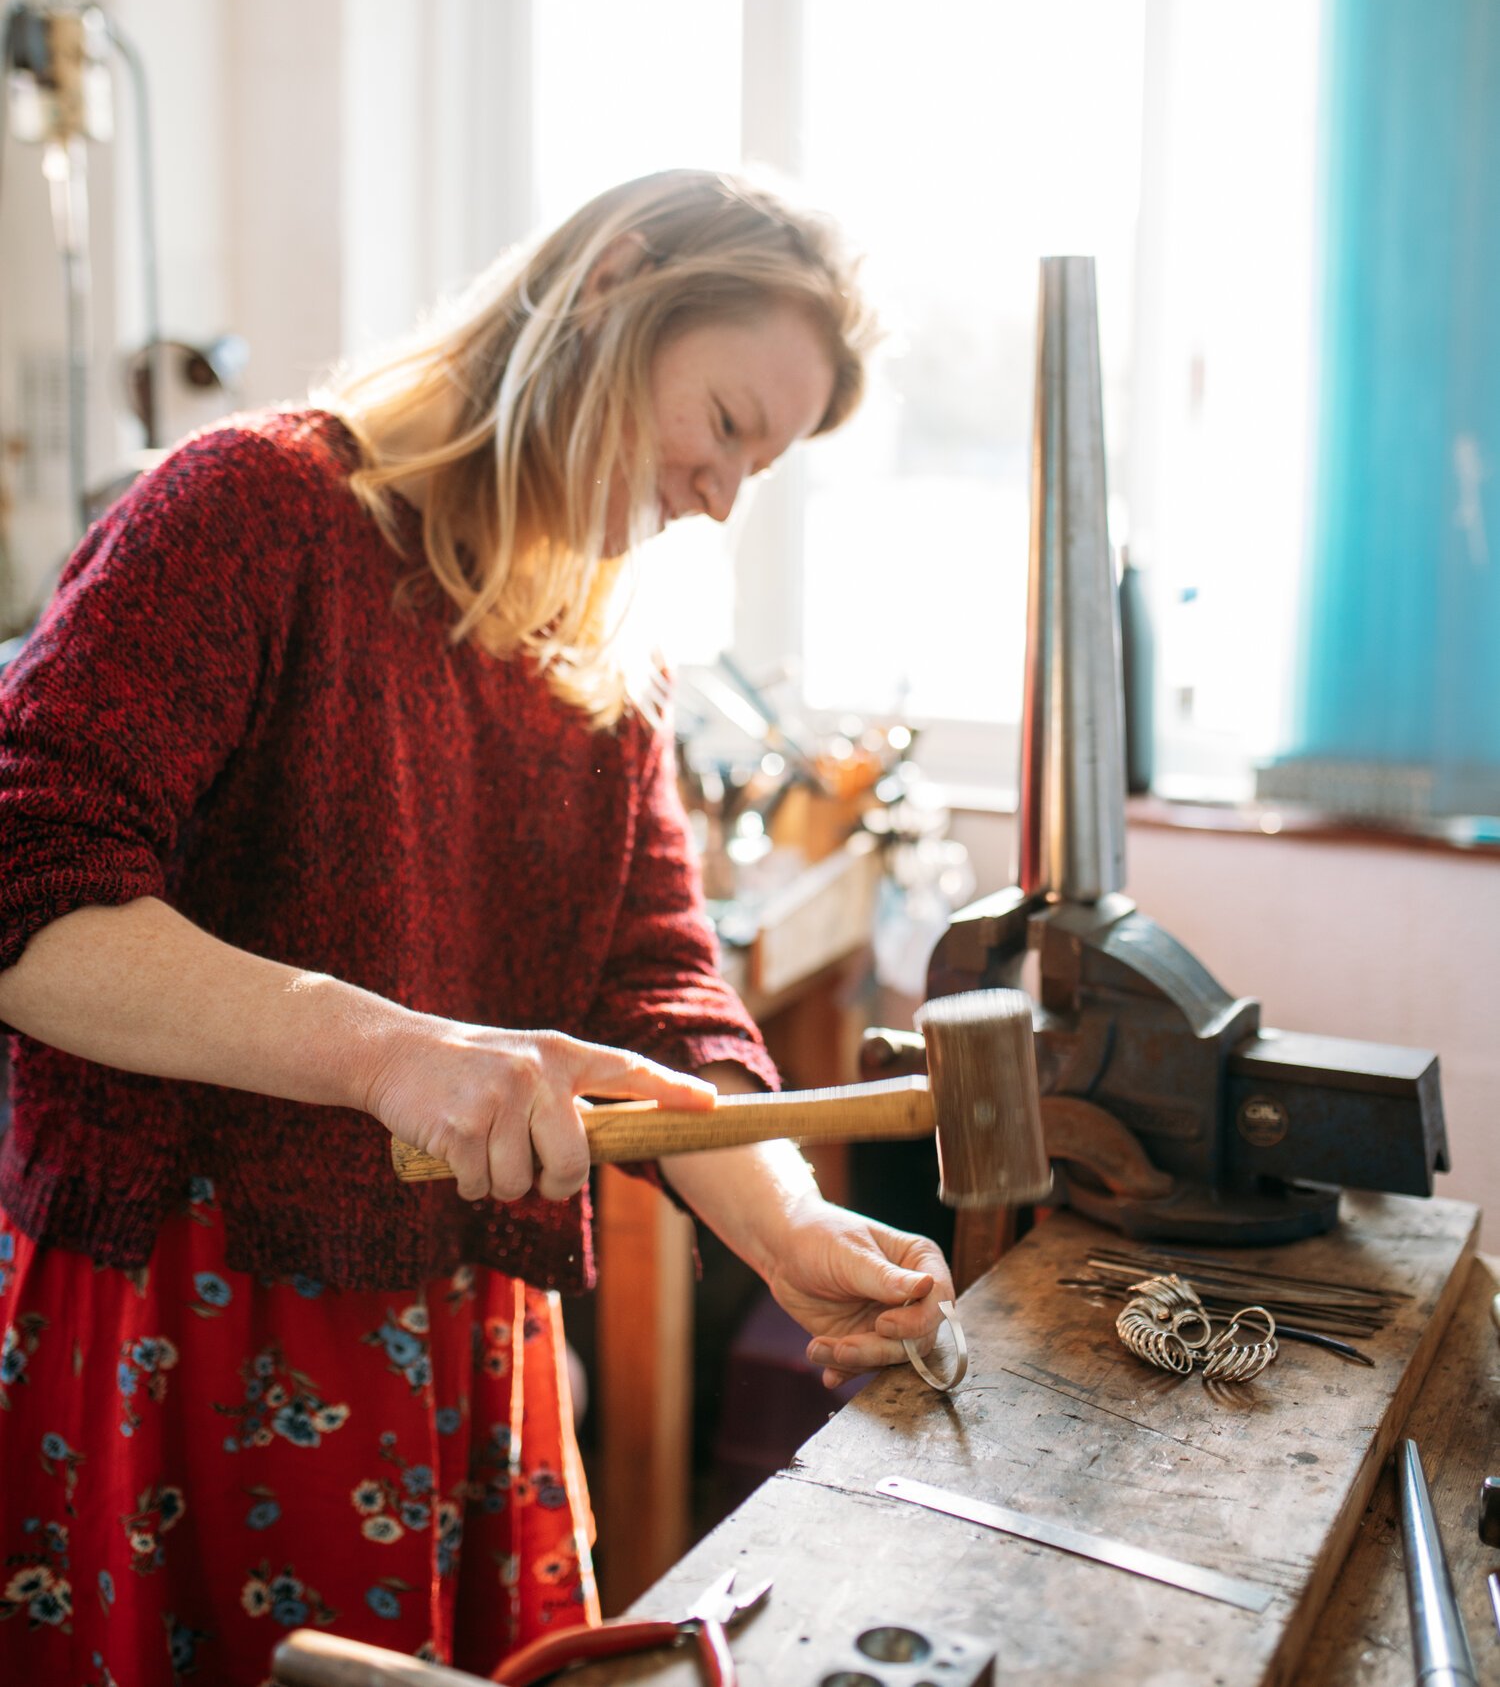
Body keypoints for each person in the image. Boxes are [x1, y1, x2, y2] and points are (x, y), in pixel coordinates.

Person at [0, 169, 955, 1685]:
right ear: (611, 289)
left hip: (456, 1342)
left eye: (758, 467)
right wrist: (392, 1056)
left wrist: (792, 1227)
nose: (722, 494)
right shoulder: (251, 511)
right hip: (182, 1332)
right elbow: (27, 878)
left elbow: (663, 992)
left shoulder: (601, 674)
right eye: (723, 423)